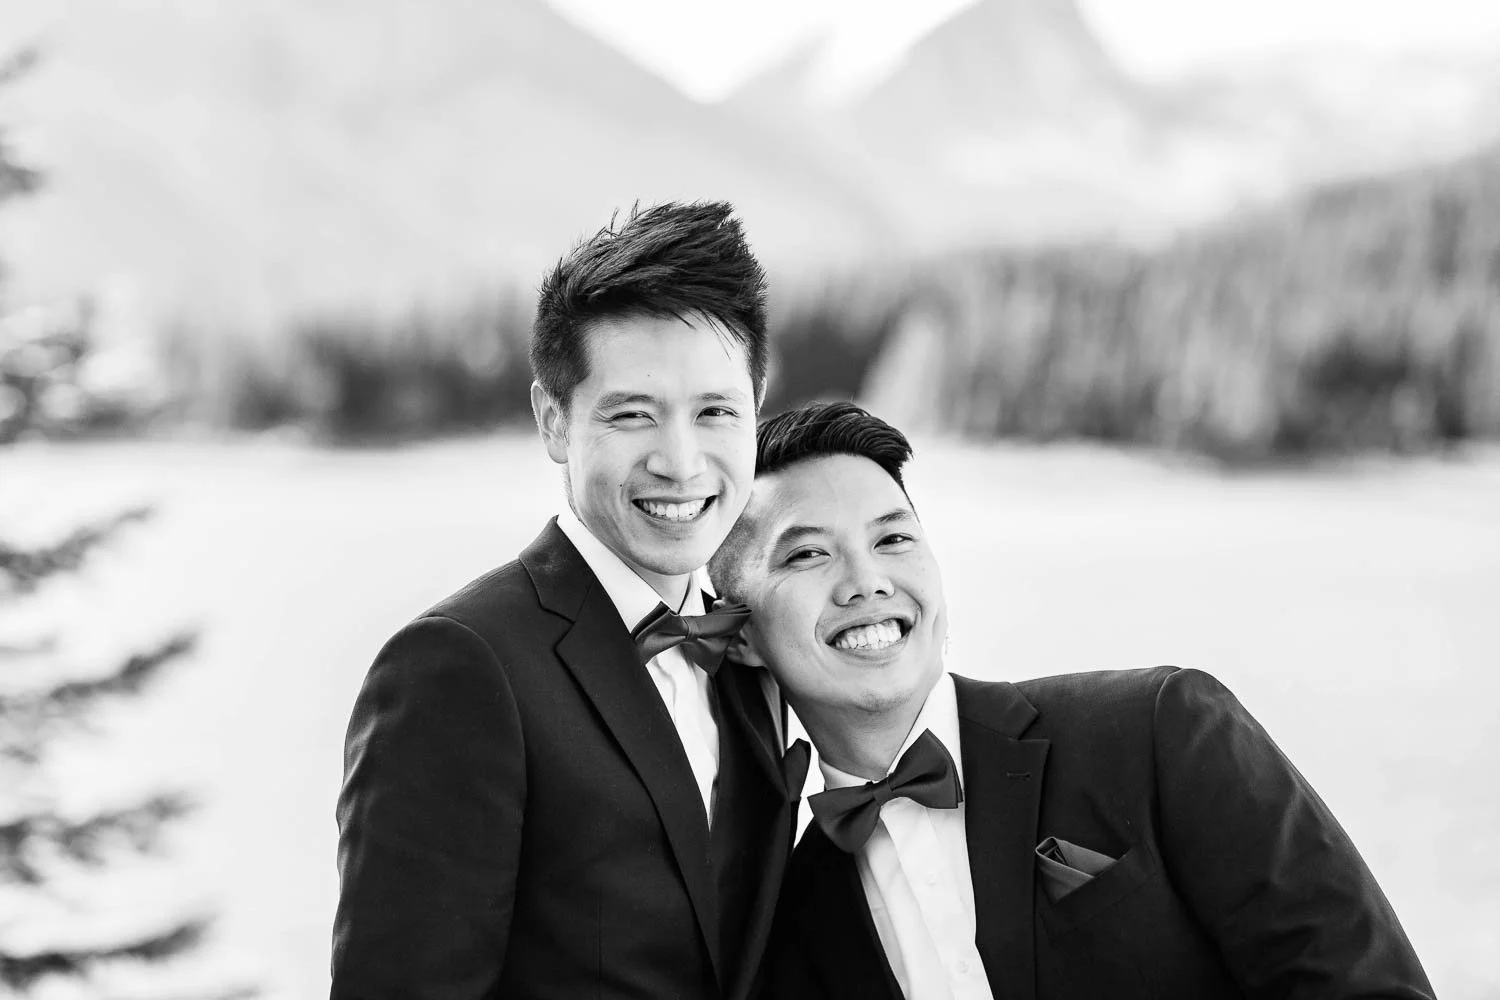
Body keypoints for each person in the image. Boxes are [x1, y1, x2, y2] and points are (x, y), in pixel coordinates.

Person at [708, 400, 1434, 1000]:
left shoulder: (1161, 730)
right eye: (808, 553)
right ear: (738, 634)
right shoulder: (790, 920)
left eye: (893, 538)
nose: (868, 580)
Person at [332, 202, 807, 1000]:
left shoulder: (748, 647)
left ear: (756, 411)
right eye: (633, 414)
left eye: (716, 412)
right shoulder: (457, 669)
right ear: (554, 421)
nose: (681, 462)